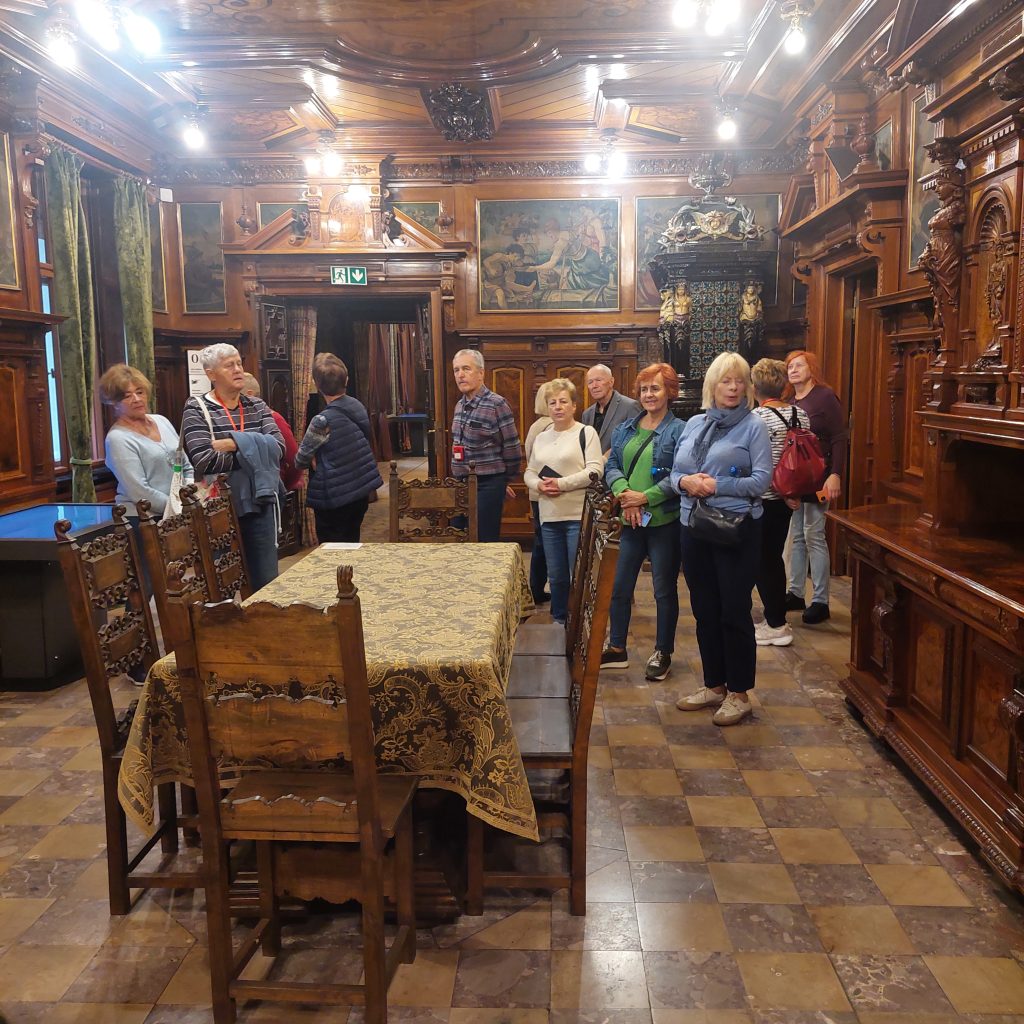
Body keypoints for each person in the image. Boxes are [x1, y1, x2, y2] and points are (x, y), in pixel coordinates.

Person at [671, 351, 772, 727]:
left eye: (739, 381)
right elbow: (673, 474)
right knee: (704, 610)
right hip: (693, 527)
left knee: (733, 610)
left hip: (736, 529)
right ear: (712, 386)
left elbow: (762, 481)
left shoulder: (754, 426)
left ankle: (739, 693)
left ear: (747, 387)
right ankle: (714, 684)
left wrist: (716, 485)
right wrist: (685, 481)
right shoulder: (695, 423)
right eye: (726, 381)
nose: (732, 387)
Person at [600, 363, 684, 680]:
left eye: (656, 388)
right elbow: (612, 466)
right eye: (645, 389)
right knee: (619, 587)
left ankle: (663, 651)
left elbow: (680, 475)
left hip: (664, 523)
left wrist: (645, 498)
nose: (649, 394)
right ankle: (617, 648)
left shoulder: (680, 430)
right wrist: (625, 494)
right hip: (630, 520)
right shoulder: (625, 429)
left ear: (669, 392)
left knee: (663, 591)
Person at [181, 343, 284, 591]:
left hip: (260, 503)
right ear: (211, 374)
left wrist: (233, 443)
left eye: (239, 363)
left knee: (266, 582)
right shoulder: (196, 409)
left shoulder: (257, 405)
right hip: (218, 509)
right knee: (222, 584)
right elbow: (204, 460)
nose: (238, 369)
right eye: (229, 365)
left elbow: (279, 448)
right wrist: (256, 449)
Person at [522, 378, 603, 625]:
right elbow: (530, 471)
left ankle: (580, 624)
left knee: (578, 574)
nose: (557, 407)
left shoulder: (585, 433)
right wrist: (538, 485)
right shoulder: (542, 437)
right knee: (556, 577)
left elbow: (595, 470)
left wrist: (561, 484)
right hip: (548, 515)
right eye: (552, 402)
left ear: (574, 405)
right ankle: (559, 622)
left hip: (576, 515)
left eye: (563, 402)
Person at [751, 358, 811, 648]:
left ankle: (776, 623)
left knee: (763, 561)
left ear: (755, 388)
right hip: (788, 498)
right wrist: (791, 493)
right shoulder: (800, 414)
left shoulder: (757, 418)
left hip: (764, 497)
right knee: (773, 556)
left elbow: (761, 464)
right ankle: (775, 618)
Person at [783, 349, 846, 624]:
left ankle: (820, 600)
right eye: (789, 367)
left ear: (811, 368)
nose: (793, 370)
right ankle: (796, 592)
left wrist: (836, 474)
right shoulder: (788, 401)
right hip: (797, 478)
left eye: (799, 365)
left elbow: (840, 437)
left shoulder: (824, 396)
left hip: (821, 477)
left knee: (814, 534)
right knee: (797, 535)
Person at [294, 353, 383, 544]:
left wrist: (314, 457)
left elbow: (300, 460)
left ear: (317, 385)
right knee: (352, 539)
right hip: (360, 489)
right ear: (347, 380)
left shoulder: (321, 421)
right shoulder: (357, 406)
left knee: (332, 548)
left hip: (334, 497)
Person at [100, 363, 192, 522]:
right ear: (114, 403)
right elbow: (139, 492)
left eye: (140, 392)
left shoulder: (162, 421)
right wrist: (178, 508)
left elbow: (186, 466)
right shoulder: (117, 439)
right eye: (127, 396)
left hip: (180, 512)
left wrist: (189, 496)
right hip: (144, 519)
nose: (137, 399)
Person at [451, 349, 522, 542]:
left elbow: (512, 449)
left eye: (466, 369)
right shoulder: (459, 405)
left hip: (487, 484)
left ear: (481, 373)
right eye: (456, 370)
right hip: (460, 484)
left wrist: (502, 482)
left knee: (484, 543)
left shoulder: (497, 405)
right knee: (457, 539)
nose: (460, 375)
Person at [240, 373, 303, 491]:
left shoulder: (274, 419)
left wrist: (284, 485)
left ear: (249, 394)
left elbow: (293, 459)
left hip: (271, 490)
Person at [524, 385, 553, 604]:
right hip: (548, 491)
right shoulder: (550, 427)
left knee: (540, 541)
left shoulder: (536, 425)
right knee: (545, 543)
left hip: (536, 492)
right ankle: (536, 589)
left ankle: (536, 587)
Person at [581, 364, 641, 457]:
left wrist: (605, 458)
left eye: (598, 380)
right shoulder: (587, 414)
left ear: (611, 382)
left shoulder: (630, 406)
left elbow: (634, 441)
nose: (594, 386)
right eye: (590, 382)